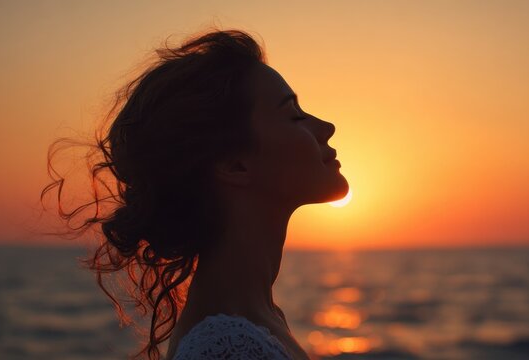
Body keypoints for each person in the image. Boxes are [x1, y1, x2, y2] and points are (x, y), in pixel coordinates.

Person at [41, 29, 349, 359]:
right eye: (293, 115)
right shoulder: (226, 346)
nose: (326, 127)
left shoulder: (260, 318)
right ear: (235, 164)